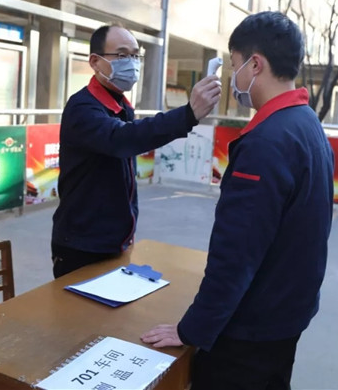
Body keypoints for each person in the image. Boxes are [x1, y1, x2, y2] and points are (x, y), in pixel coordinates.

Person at [141, 11, 334, 390]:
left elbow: (236, 254)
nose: (233, 77)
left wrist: (192, 329)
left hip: (250, 330)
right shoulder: (306, 123)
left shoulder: (266, 142)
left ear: (255, 64)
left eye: (234, 65)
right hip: (287, 314)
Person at [51, 23, 221, 279]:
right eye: (121, 55)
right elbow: (122, 139)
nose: (131, 63)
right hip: (82, 245)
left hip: (115, 241)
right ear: (95, 61)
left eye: (134, 55)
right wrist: (188, 114)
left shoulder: (121, 106)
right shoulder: (83, 108)